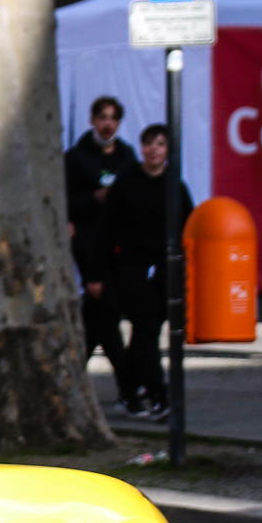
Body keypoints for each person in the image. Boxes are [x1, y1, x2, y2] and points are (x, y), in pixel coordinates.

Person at [96, 124, 195, 417]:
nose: (154, 149)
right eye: (149, 144)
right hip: (132, 269)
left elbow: (187, 226)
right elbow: (107, 229)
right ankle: (158, 394)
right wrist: (99, 273)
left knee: (144, 334)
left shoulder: (175, 185)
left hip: (165, 271)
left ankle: (129, 390)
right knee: (147, 329)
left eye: (160, 144)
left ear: (168, 151)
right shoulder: (127, 183)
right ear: (141, 149)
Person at [64, 96, 133, 393]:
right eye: (102, 117)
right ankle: (131, 388)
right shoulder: (77, 158)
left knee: (97, 323)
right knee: (106, 321)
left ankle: (70, 384)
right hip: (91, 249)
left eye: (113, 118)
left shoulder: (126, 156)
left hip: (119, 251)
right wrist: (94, 198)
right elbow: (64, 203)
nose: (107, 124)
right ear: (92, 120)